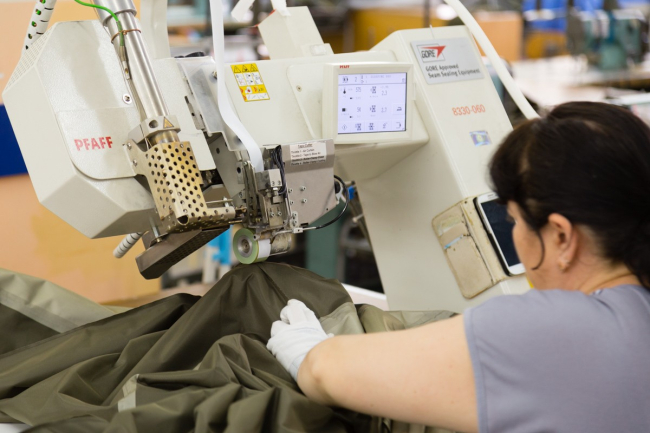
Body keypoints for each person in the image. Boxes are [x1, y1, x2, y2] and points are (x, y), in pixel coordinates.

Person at [266, 101, 650, 433]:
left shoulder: (555, 331)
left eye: (514, 221)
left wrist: (306, 349)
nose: (514, 234)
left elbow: (323, 372)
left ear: (562, 237)